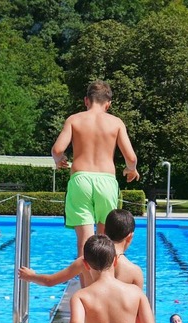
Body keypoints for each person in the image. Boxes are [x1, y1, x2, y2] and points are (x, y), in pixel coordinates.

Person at [52, 80, 139, 288]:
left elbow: (57, 150)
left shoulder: (74, 120)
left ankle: (87, 294)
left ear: (86, 101)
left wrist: (60, 161)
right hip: (106, 181)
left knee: (85, 244)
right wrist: (131, 170)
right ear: (108, 103)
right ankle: (105, 290)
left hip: (80, 179)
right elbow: (131, 158)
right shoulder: (116, 123)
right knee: (106, 241)